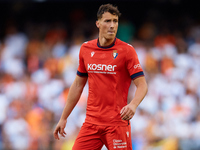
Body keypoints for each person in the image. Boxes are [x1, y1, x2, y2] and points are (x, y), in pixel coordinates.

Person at [53, 3, 148, 150]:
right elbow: (78, 85)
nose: (112, 25)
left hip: (117, 123)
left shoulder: (127, 51)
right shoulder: (86, 49)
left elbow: (142, 85)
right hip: (92, 123)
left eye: (115, 21)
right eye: (107, 21)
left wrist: (133, 105)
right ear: (98, 24)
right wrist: (64, 117)